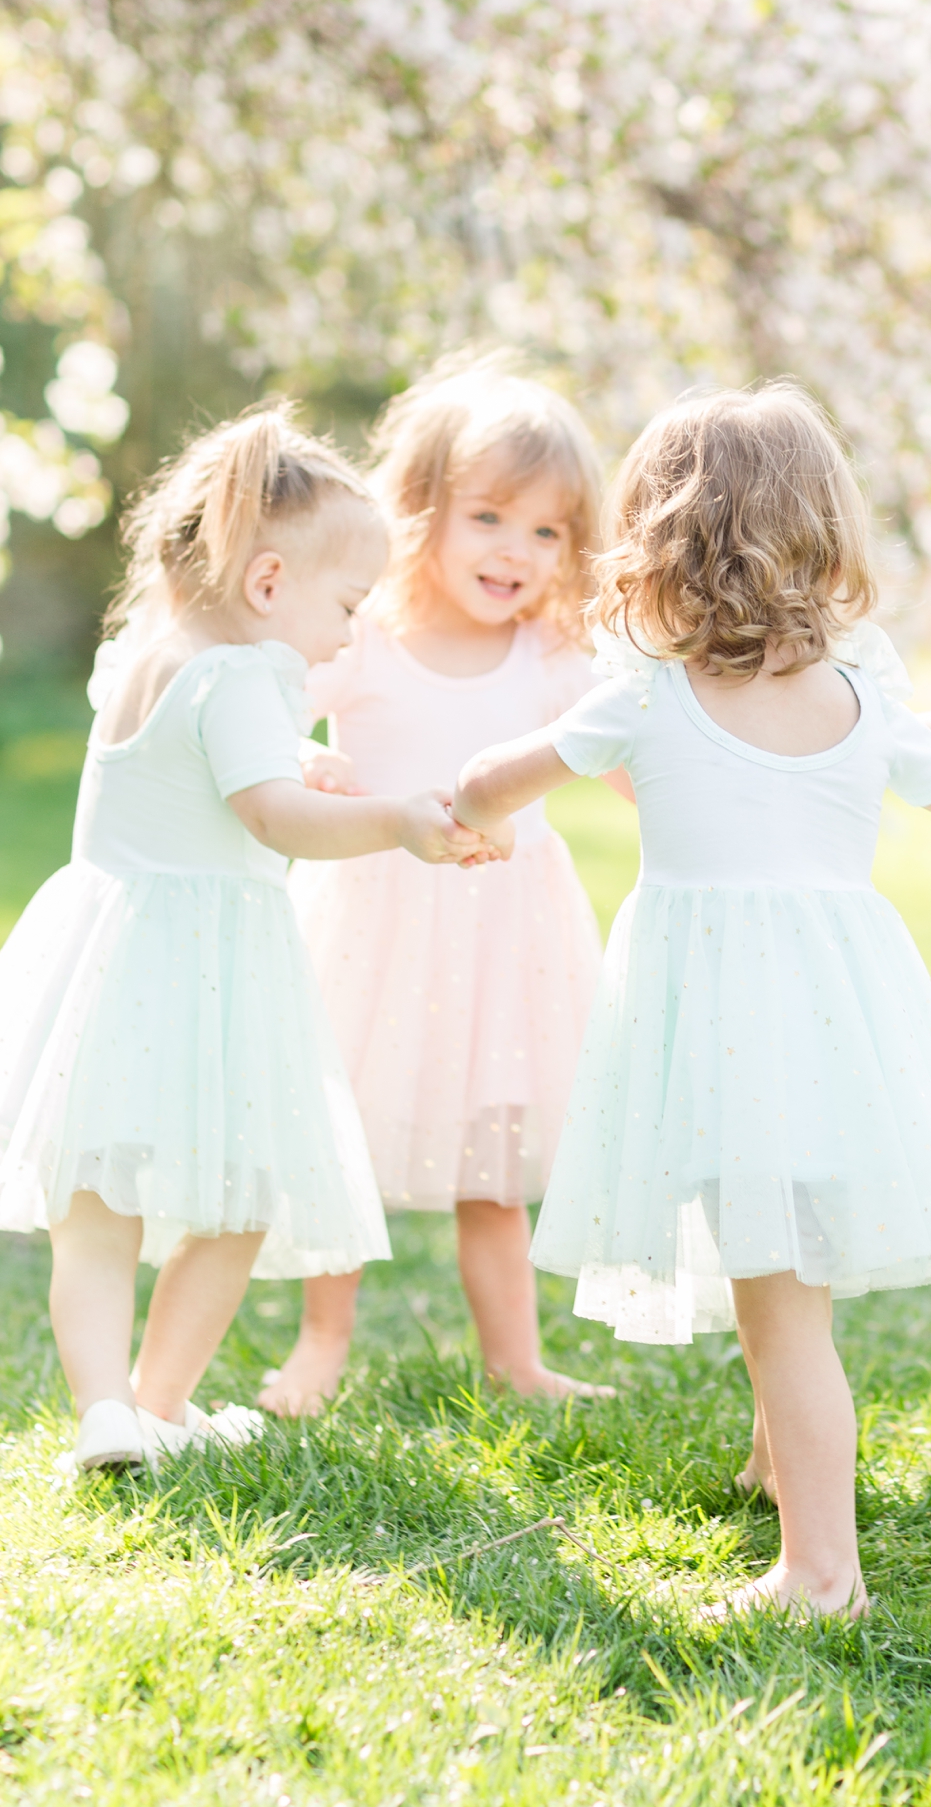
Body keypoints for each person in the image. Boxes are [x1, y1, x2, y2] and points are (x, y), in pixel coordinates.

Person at [452, 384, 931, 1620]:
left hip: (722, 1017)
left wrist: (460, 817)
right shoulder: (861, 695)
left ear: (656, 542)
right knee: (786, 1258)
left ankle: (821, 1570)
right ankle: (774, 1454)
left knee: (779, 1299)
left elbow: (494, 776)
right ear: (823, 539)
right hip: (839, 1010)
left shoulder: (643, 693)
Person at [0, 407, 481, 1474]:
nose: (351, 633)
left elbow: (190, 755)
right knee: (236, 1205)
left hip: (109, 961)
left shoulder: (147, 652)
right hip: (207, 972)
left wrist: (292, 751)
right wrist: (393, 820)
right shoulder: (245, 675)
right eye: (346, 604)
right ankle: (162, 1401)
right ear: (269, 583)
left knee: (94, 1216)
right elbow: (273, 819)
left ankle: (110, 1410)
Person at [261, 355, 618, 1415]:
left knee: (494, 1164)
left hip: (508, 933)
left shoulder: (551, 656)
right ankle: (322, 1340)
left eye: (547, 531)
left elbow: (628, 753)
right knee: (345, 1140)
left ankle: (516, 1358)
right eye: (491, 517)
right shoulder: (361, 638)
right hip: (375, 922)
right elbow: (268, 703)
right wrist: (301, 757)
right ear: (421, 510)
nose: (517, 551)